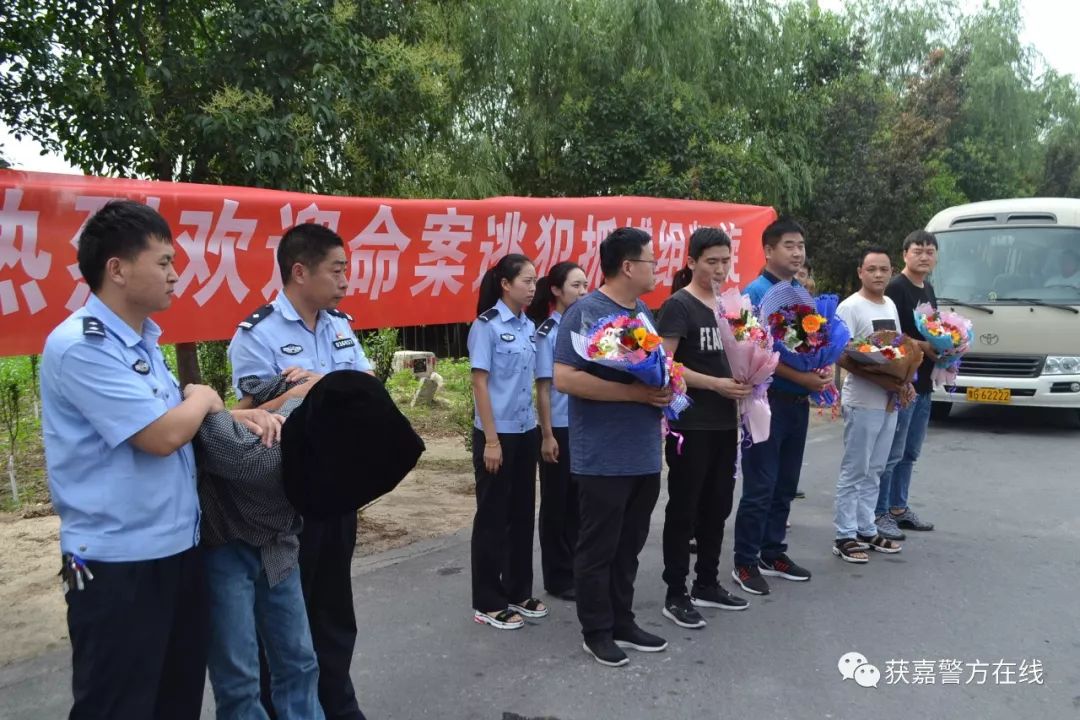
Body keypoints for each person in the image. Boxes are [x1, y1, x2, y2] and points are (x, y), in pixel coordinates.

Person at [40, 200, 276, 719]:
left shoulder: (141, 345)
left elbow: (179, 422)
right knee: (116, 702)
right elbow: (162, 435)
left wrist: (239, 416)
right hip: (108, 561)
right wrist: (204, 395)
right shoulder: (82, 346)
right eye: (164, 262)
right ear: (117, 269)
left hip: (174, 550)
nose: (175, 275)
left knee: (175, 698)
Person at [228, 223, 372, 720]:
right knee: (286, 614)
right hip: (287, 491)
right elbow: (255, 408)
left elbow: (364, 382)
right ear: (299, 271)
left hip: (339, 482)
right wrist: (305, 391)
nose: (346, 280)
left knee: (334, 605)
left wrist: (317, 384)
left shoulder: (338, 324)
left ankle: (339, 705)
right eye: (337, 270)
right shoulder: (257, 333)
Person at [554, 227, 671, 667]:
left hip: (642, 452)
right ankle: (596, 630)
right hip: (602, 456)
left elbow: (655, 368)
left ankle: (623, 619)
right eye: (651, 260)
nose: (656, 267)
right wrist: (635, 395)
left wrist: (666, 388)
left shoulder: (642, 311)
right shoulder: (585, 313)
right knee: (598, 546)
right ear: (627, 266)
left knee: (629, 544)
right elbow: (565, 378)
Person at [195, 390, 325, 720]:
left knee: (300, 662)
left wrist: (229, 411)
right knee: (238, 680)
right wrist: (222, 408)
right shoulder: (259, 453)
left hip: (278, 548)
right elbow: (204, 417)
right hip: (224, 545)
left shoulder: (321, 438)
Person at [657, 228, 752, 630]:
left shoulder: (732, 307)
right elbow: (666, 364)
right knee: (685, 508)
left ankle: (707, 582)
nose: (719, 269)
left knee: (718, 505)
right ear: (691, 261)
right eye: (710, 261)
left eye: (725, 261)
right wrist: (715, 384)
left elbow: (750, 352)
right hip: (690, 424)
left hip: (725, 422)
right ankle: (675, 592)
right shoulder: (679, 306)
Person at [731, 216, 828, 596]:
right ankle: (745, 559)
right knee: (761, 483)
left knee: (786, 483)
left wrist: (818, 366)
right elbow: (751, 350)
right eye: (789, 245)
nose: (797, 252)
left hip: (796, 402)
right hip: (765, 401)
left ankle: (774, 552)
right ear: (768, 250)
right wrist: (801, 376)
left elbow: (811, 342)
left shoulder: (801, 294)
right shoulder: (752, 295)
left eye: (801, 246)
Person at [468, 254, 547, 629]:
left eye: (535, 282)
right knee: (492, 518)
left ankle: (517, 589)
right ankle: (487, 598)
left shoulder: (530, 326)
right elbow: (479, 382)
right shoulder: (487, 326)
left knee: (520, 514)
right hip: (496, 432)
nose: (533, 288)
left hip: (525, 429)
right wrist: (491, 440)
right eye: (526, 281)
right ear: (505, 284)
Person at [832, 248, 907, 564]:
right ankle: (844, 534)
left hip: (889, 402)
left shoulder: (889, 303)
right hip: (862, 401)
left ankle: (865, 527)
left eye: (884, 269)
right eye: (872, 269)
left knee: (876, 468)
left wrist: (904, 380)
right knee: (855, 469)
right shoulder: (849, 307)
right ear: (860, 271)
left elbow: (898, 349)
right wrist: (881, 377)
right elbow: (841, 352)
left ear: (891, 272)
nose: (878, 274)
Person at [529, 261, 590, 602]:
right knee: (556, 504)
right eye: (576, 286)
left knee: (580, 504)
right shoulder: (547, 333)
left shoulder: (585, 328)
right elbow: (543, 388)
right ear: (555, 290)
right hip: (559, 429)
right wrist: (548, 434)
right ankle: (557, 576)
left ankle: (578, 569)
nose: (583, 292)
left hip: (583, 426)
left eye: (585, 286)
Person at [875, 230, 940, 541]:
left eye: (930, 251)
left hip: (925, 381)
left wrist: (948, 345)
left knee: (911, 452)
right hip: (903, 382)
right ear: (905, 254)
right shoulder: (896, 289)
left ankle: (899, 508)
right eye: (918, 250)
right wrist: (923, 346)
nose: (924, 256)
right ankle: (881, 511)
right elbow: (889, 336)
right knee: (892, 452)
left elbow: (936, 328)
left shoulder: (927, 288)